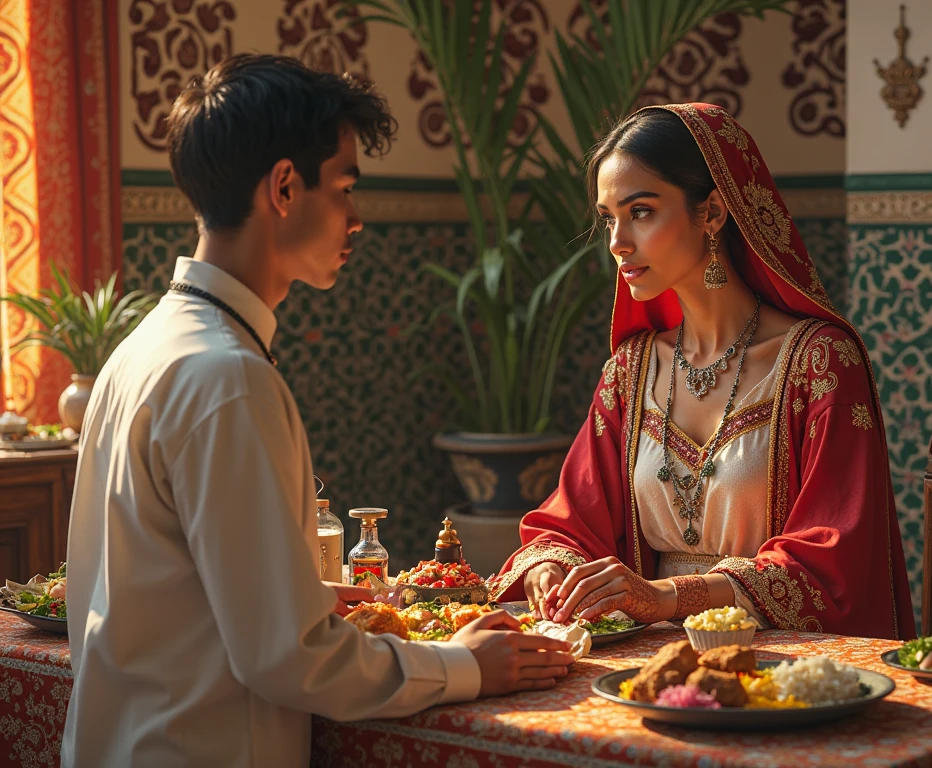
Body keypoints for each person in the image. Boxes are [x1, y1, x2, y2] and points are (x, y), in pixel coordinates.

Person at [62, 54, 572, 768]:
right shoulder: (225, 376)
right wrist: (466, 666)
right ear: (283, 186)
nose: (357, 219)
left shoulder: (142, 349)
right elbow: (286, 660)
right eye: (345, 187)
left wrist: (303, 592)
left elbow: (166, 588)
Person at [491, 104, 916, 641]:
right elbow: (571, 519)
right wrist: (549, 567)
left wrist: (666, 597)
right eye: (608, 218)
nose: (618, 241)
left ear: (712, 212)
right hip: (642, 660)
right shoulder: (632, 369)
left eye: (640, 211)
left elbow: (832, 562)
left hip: (782, 666)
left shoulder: (820, 365)